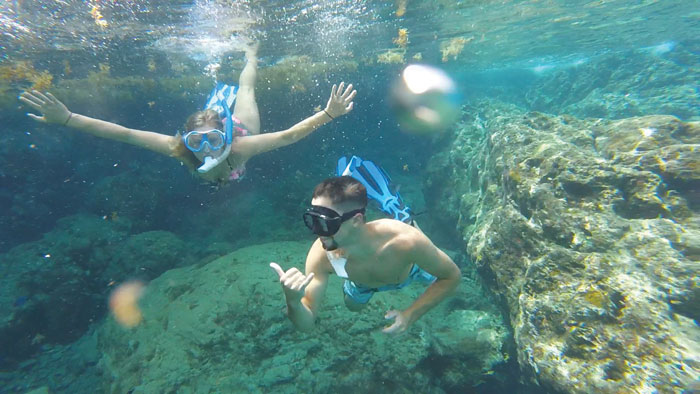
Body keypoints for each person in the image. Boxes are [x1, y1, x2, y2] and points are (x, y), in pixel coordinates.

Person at [18, 45, 357, 184]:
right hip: (226, 135)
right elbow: (124, 133)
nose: (207, 148)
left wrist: (328, 113)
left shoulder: (240, 146)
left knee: (247, 91)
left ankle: (250, 56)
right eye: (197, 141)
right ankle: (215, 105)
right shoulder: (178, 147)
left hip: (242, 128)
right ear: (186, 140)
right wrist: (67, 118)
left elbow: (287, 137)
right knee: (215, 108)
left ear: (223, 137)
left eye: (212, 140)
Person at [270, 175, 461, 334]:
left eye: (326, 222)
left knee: (447, 285)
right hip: (361, 284)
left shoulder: (405, 241)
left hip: (411, 270)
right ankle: (354, 283)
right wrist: (293, 302)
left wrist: (410, 314)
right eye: (313, 220)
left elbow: (452, 276)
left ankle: (401, 213)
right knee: (353, 307)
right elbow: (307, 323)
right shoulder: (321, 255)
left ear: (356, 220)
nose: (318, 232)